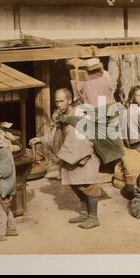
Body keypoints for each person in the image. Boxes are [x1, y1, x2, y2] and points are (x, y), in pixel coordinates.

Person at [29, 88, 101, 229]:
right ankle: (85, 213)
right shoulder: (63, 116)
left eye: (62, 101)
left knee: (87, 186)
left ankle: (94, 217)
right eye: (56, 101)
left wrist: (61, 157)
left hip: (83, 156)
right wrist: (41, 139)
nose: (58, 104)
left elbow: (76, 140)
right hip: (72, 156)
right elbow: (57, 135)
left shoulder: (78, 115)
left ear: (69, 100)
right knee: (75, 184)